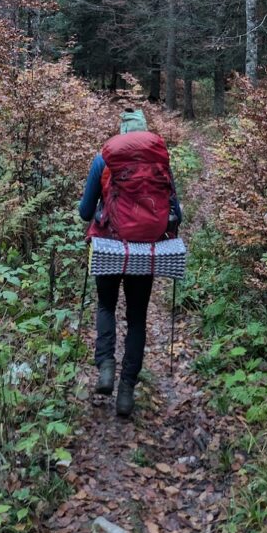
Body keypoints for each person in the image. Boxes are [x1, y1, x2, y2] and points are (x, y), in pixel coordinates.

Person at [79, 108, 181, 417]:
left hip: (110, 243)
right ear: (146, 133)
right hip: (145, 248)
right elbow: (175, 211)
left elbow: (86, 212)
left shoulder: (104, 159)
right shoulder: (160, 162)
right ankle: (126, 391)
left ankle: (106, 366)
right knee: (137, 318)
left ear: (121, 132)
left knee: (106, 306)